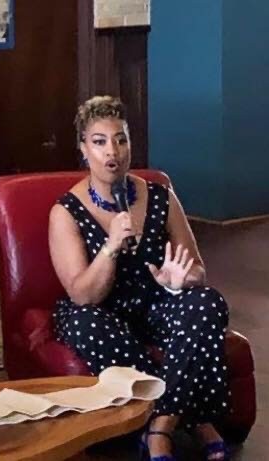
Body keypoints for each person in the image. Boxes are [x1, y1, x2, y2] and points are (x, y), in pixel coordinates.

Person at [49, 96, 230, 461]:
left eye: (121, 139)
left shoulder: (162, 196)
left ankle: (159, 425)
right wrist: (110, 247)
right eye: (99, 141)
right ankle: (193, 419)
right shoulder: (65, 211)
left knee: (208, 302)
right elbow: (82, 295)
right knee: (84, 323)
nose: (112, 151)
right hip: (102, 312)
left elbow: (197, 269)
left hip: (155, 302)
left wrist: (179, 282)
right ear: (83, 149)